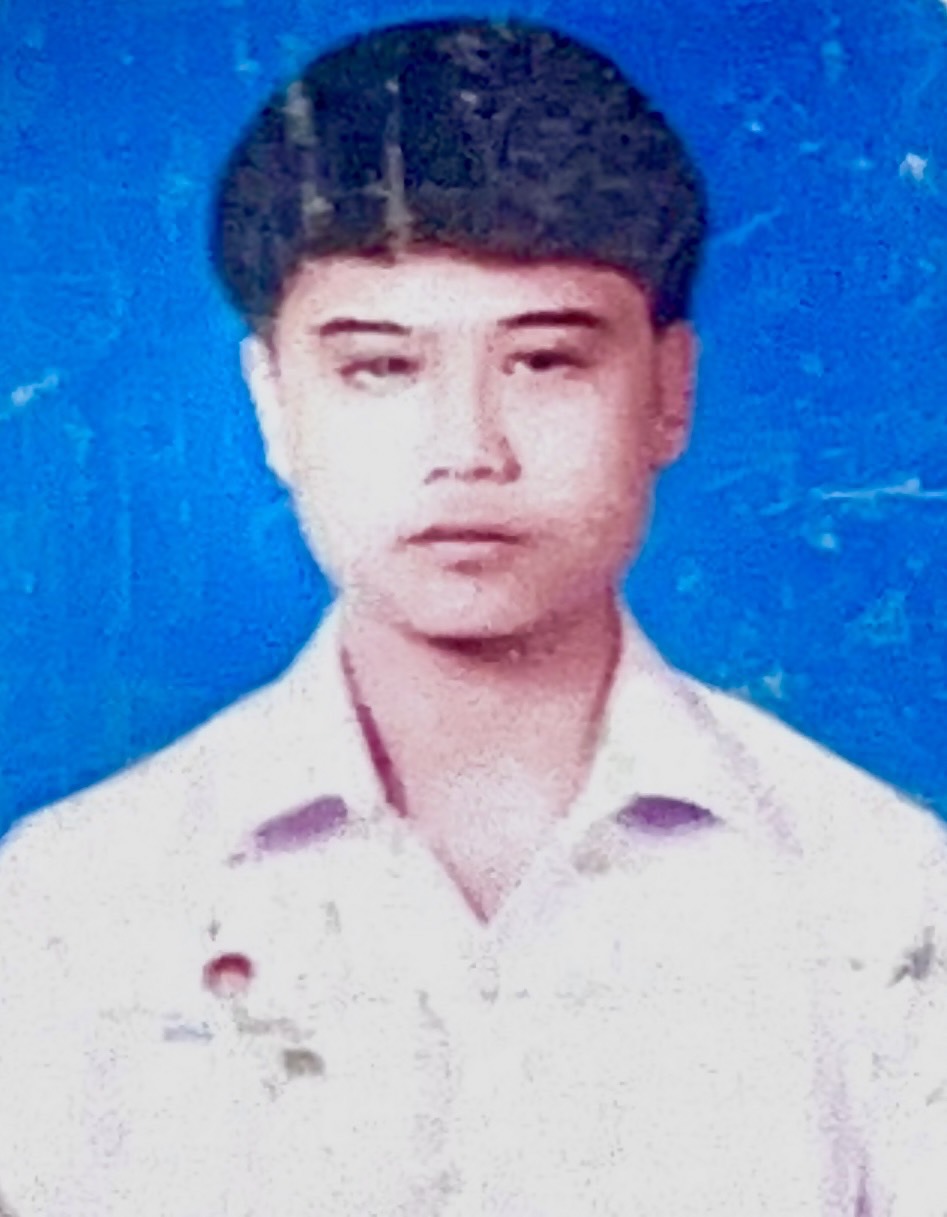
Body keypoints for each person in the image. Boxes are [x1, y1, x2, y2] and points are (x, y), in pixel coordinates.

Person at [0, 15, 945, 1217]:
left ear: (669, 391)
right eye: (379, 366)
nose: (466, 449)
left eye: (544, 361)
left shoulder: (881, 891)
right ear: (272, 402)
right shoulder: (72, 906)